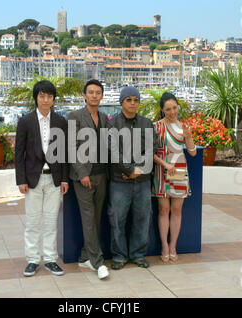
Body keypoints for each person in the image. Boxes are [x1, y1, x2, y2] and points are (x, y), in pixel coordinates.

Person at [15, 80, 69, 277]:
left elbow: (64, 154)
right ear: (36, 98)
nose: (46, 100)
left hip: (54, 180)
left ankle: (50, 259)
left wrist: (64, 179)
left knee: (50, 221)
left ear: (53, 99)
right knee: (32, 221)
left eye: (49, 96)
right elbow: (18, 153)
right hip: (32, 180)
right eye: (42, 96)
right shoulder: (25, 121)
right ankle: (32, 259)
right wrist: (21, 180)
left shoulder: (61, 122)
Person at [106, 86, 156, 270]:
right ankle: (119, 256)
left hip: (142, 182)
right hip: (120, 182)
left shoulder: (147, 123)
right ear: (121, 102)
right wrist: (128, 169)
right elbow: (112, 151)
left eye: (136, 100)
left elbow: (151, 149)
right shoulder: (112, 125)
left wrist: (139, 169)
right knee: (117, 220)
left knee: (142, 220)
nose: (133, 103)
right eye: (129, 100)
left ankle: (138, 254)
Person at [68, 79, 110, 280]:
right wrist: (82, 173)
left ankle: (85, 256)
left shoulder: (104, 117)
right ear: (84, 95)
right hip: (83, 177)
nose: (94, 95)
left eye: (98, 92)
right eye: (91, 92)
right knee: (88, 218)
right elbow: (71, 148)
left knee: (96, 218)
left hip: (102, 175)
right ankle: (98, 262)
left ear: (102, 96)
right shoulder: (75, 116)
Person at [153, 92, 197, 263]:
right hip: (163, 171)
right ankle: (164, 245)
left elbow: (192, 152)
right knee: (163, 210)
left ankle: (173, 246)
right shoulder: (156, 127)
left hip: (179, 171)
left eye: (174, 108)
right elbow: (151, 153)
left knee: (177, 210)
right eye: (168, 109)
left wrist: (188, 137)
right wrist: (165, 165)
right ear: (162, 110)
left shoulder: (183, 127)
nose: (172, 112)